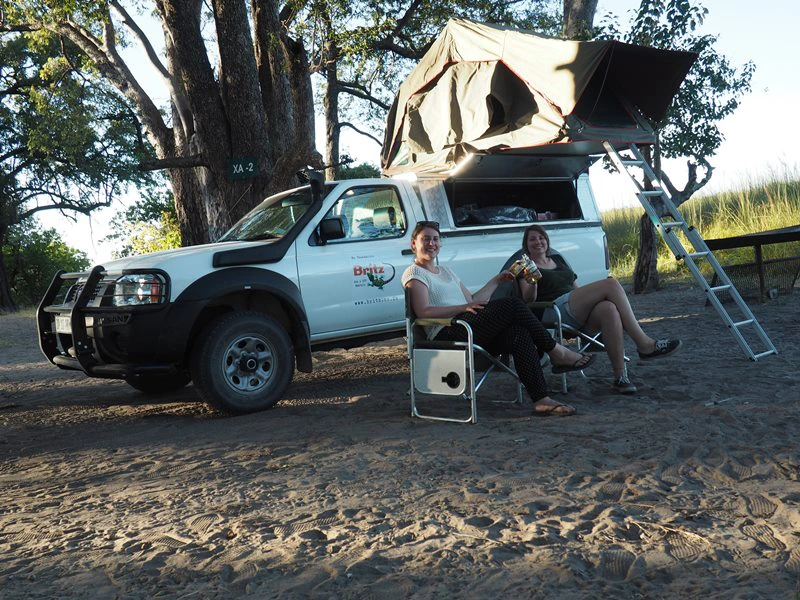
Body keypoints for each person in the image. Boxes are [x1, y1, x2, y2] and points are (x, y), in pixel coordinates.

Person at [402, 221, 596, 417]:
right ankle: (556, 351)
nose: (432, 243)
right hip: (448, 330)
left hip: (468, 325)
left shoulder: (446, 271)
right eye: (426, 239)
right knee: (513, 304)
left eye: (435, 239)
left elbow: (472, 301)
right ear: (414, 244)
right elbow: (423, 311)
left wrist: (497, 280)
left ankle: (541, 399)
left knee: (518, 334)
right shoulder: (415, 272)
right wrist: (461, 308)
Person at [516, 224, 681, 394]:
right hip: (551, 311)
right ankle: (644, 344)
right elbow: (528, 299)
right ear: (526, 245)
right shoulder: (525, 266)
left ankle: (620, 377)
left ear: (547, 240)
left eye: (541, 237)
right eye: (532, 239)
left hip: (572, 306)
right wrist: (533, 280)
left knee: (609, 309)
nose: (538, 242)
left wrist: (589, 301)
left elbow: (576, 288)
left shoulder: (558, 260)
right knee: (611, 283)